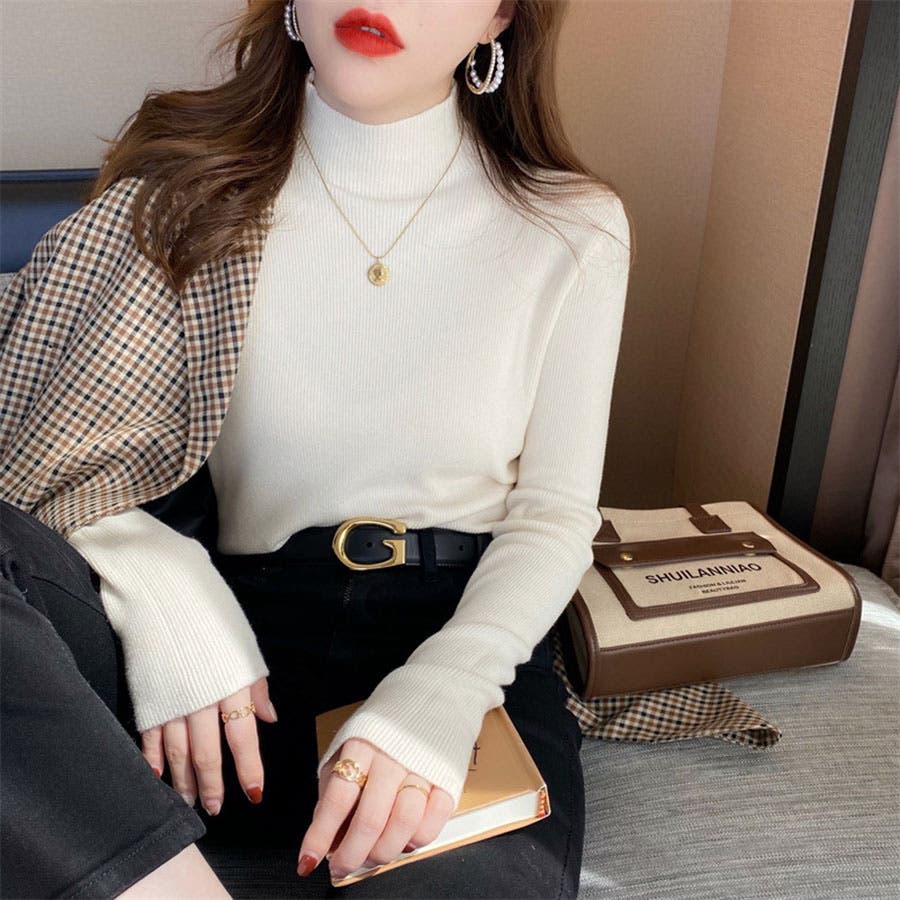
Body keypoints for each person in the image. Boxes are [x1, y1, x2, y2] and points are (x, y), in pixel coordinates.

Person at [0, 0, 633, 896]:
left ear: (499, 17)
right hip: (225, 661)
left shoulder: (572, 224)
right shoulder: (181, 193)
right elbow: (53, 453)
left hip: (451, 626)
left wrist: (446, 691)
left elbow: (555, 516)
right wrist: (160, 580)